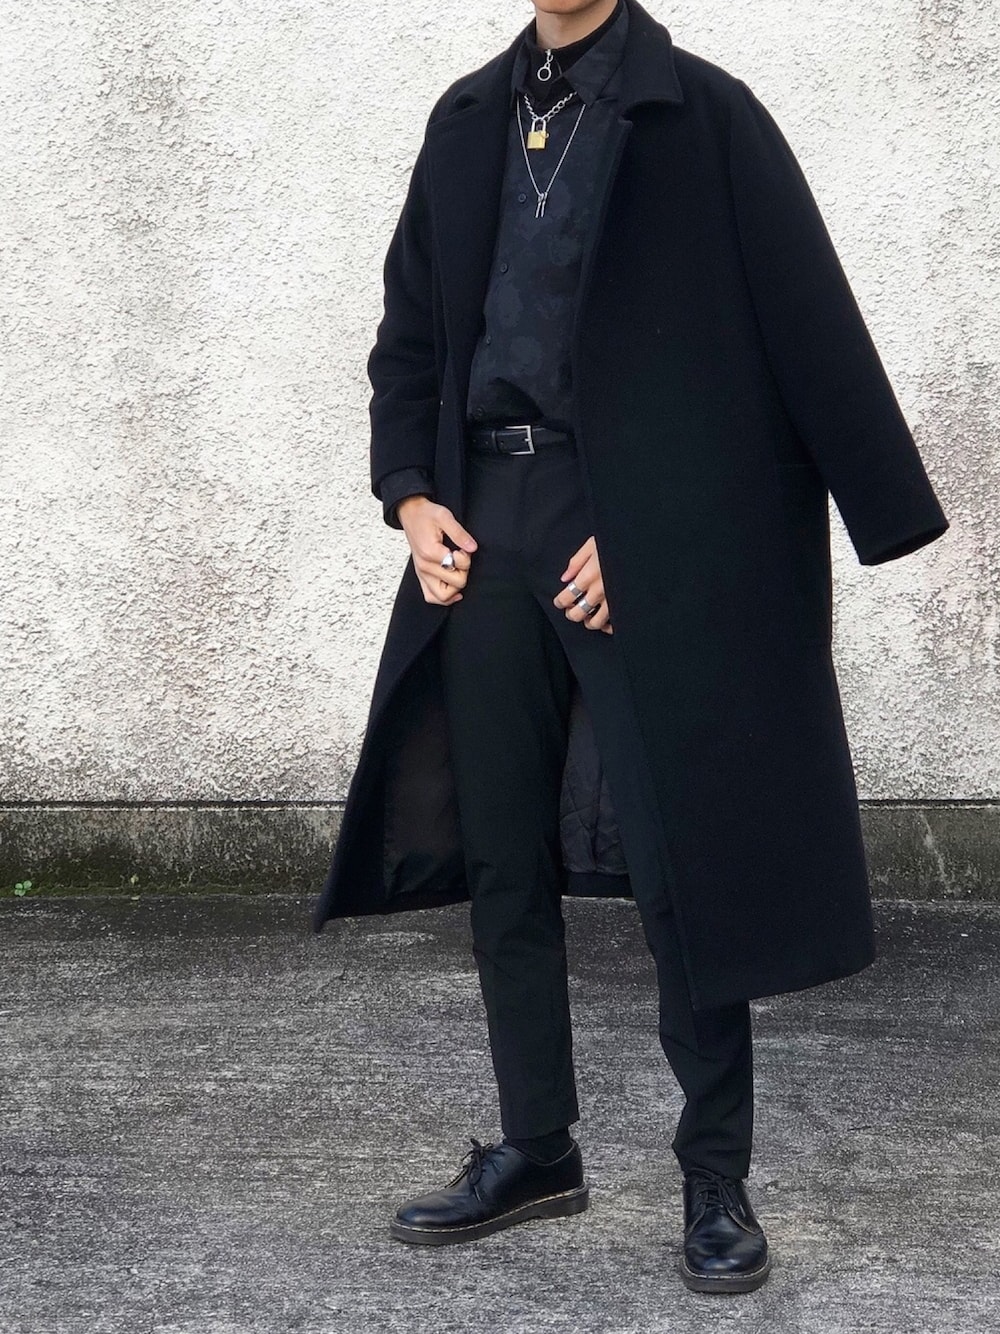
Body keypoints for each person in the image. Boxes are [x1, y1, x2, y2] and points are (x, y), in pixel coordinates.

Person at [313, 0, 949, 1293]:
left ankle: (715, 1177)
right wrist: (411, 495)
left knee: (681, 866)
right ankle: (538, 1148)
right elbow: (411, 339)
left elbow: (793, 342)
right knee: (504, 855)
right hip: (483, 523)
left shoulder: (702, 118)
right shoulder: (467, 120)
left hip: (628, 530)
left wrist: (663, 532)